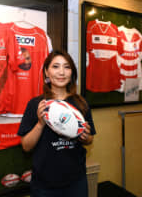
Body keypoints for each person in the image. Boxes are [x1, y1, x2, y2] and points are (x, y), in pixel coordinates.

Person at [18, 50, 96, 197]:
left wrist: (85, 137)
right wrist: (41, 124)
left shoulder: (81, 104)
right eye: (55, 67)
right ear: (46, 72)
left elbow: (90, 138)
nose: (61, 72)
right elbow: (26, 146)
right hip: (44, 184)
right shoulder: (36, 105)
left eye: (67, 67)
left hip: (76, 181)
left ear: (72, 72)